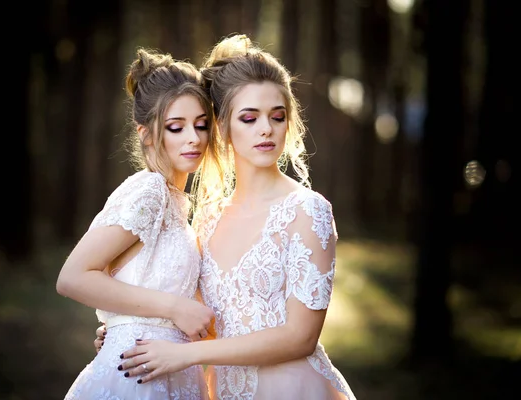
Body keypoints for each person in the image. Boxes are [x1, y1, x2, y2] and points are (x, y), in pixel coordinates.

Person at [113, 34, 357, 399]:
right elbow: (202, 323)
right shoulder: (208, 219)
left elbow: (300, 338)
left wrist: (184, 355)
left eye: (277, 116)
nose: (266, 129)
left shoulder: (308, 210)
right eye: (249, 117)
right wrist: (134, 331)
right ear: (222, 126)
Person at [56, 47, 226, 400]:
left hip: (171, 370)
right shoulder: (149, 190)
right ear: (147, 134)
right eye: (176, 127)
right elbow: (72, 277)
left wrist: (118, 322)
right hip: (137, 380)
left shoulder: (178, 205)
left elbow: (125, 279)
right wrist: (172, 309)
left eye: (201, 124)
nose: (193, 138)